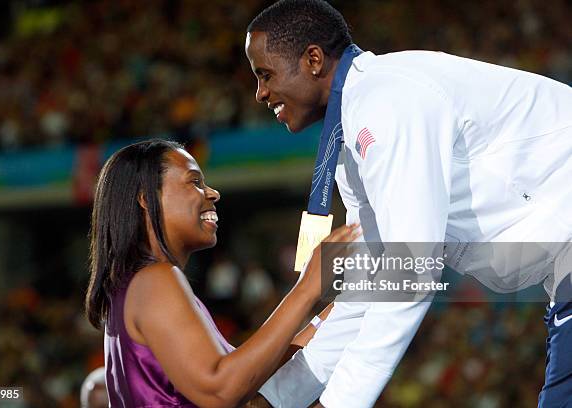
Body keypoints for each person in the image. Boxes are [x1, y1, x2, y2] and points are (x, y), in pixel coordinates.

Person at [244, 1, 572, 407]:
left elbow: (412, 269)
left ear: (313, 59)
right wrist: (277, 399)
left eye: (265, 74)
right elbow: (369, 286)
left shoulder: (386, 103)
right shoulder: (352, 143)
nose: (259, 93)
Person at [84, 139, 360, 407]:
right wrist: (306, 289)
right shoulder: (154, 280)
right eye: (194, 181)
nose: (213, 193)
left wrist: (345, 306)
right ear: (146, 198)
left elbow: (252, 372)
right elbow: (222, 391)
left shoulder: (134, 284)